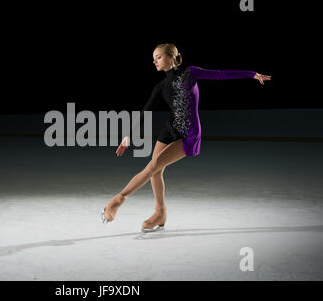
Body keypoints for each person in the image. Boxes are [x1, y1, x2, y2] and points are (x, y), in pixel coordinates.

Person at [100, 43, 271, 232]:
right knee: (156, 170)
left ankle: (117, 200)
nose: (154, 61)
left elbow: (221, 74)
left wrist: (252, 74)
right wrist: (128, 135)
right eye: (153, 58)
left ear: (171, 57)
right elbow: (146, 110)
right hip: (169, 130)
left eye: (158, 57)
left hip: (188, 134)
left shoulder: (190, 73)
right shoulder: (161, 85)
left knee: (152, 167)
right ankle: (160, 213)